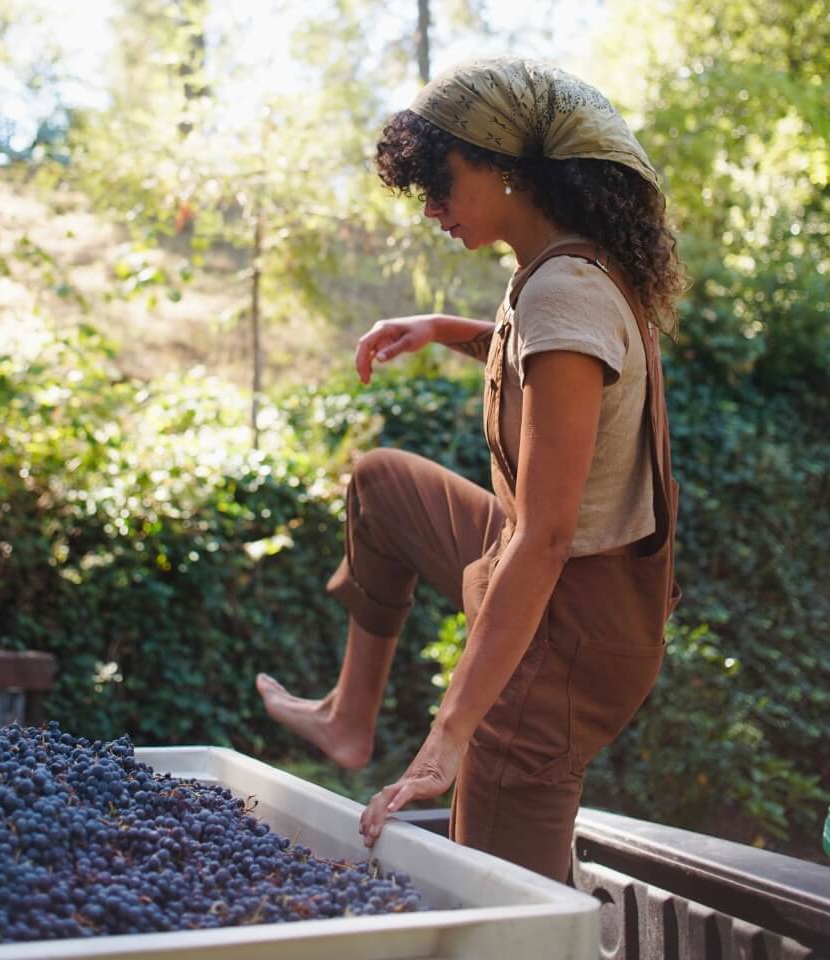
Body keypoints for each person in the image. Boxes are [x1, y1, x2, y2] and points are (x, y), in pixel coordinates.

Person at [256, 57, 686, 883]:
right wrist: (446, 327)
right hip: (548, 571)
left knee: (501, 907)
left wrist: (451, 731)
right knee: (384, 485)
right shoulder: (567, 271)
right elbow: (568, 379)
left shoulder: (565, 291)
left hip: (570, 626)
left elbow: (550, 536)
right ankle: (350, 716)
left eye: (440, 181)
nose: (431, 208)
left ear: (507, 166)